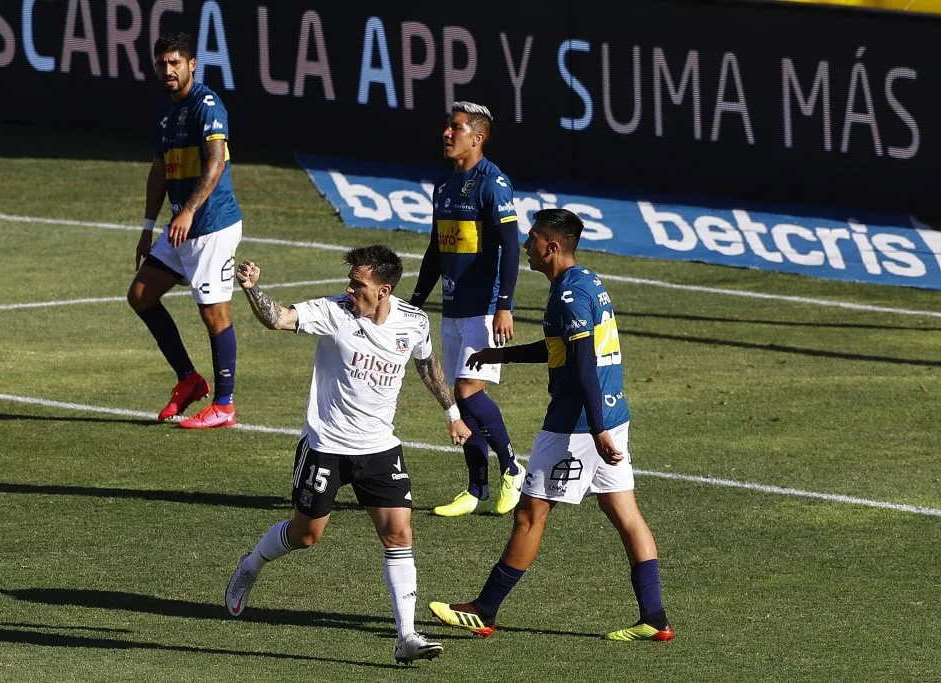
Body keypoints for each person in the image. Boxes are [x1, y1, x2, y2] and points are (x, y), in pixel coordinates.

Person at [428, 208, 674, 642]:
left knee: (529, 514)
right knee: (624, 512)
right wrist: (501, 355)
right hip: (611, 414)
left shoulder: (568, 295)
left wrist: (594, 429)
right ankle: (655, 618)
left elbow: (583, 364)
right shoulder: (586, 282)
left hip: (576, 426)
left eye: (534, 238)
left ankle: (484, 610)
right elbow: (562, 348)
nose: (526, 245)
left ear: (552, 246)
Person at [224, 245, 470, 664]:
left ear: (384, 290)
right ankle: (251, 565)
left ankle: (406, 636)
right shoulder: (333, 311)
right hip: (326, 447)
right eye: (351, 282)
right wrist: (251, 288)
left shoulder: (413, 322)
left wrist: (452, 414)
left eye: (358, 284)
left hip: (379, 448)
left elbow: (427, 365)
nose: (349, 289)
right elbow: (278, 318)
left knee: (399, 535)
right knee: (306, 536)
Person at [409, 101, 524, 517]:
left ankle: (513, 468)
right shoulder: (444, 185)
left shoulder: (493, 183)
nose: (446, 133)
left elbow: (511, 246)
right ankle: (476, 489)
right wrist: (416, 301)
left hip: (484, 308)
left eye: (455, 128)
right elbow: (436, 249)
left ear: (477, 138)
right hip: (454, 306)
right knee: (464, 397)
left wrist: (505, 305)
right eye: (447, 126)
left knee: (466, 391)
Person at [127, 31, 243, 429]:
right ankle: (189, 379)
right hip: (181, 227)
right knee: (141, 295)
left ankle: (224, 405)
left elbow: (216, 162)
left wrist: (189, 210)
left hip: (211, 226)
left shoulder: (206, 106)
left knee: (214, 313)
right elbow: (160, 171)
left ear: (192, 64)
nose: (168, 69)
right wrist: (147, 227)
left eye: (175, 62)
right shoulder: (165, 113)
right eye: (162, 63)